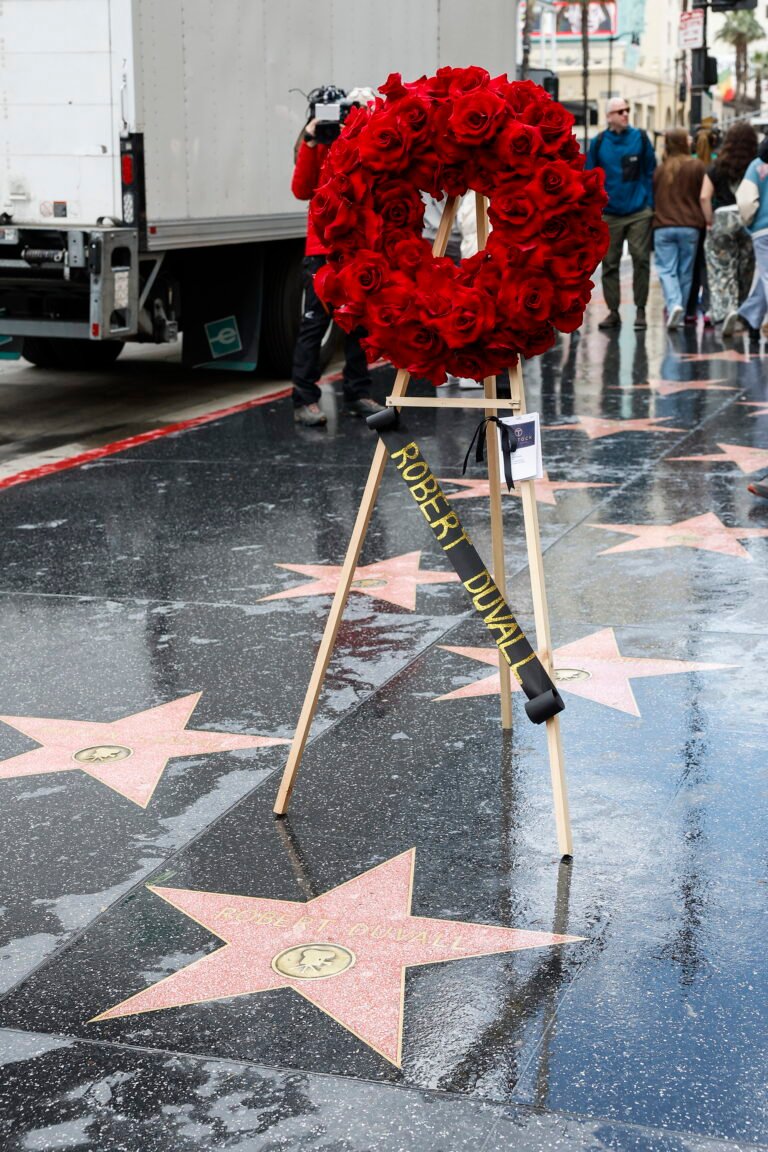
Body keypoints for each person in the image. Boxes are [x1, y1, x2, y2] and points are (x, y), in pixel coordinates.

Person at [290, 87, 384, 427]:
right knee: (315, 324)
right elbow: (301, 189)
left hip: (356, 248)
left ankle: (358, 394)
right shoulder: (315, 143)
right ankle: (304, 399)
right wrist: (313, 141)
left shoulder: (360, 140)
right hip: (322, 250)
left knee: (359, 323)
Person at [586, 96, 656, 331]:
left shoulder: (641, 138)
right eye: (620, 111)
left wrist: (648, 204)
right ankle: (613, 311)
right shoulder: (598, 143)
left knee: (641, 259)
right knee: (610, 263)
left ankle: (640, 310)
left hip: (638, 210)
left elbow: (650, 171)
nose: (626, 114)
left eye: (627, 109)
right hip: (610, 213)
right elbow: (590, 176)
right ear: (609, 117)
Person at [699, 121, 757, 335]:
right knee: (745, 269)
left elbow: (704, 196)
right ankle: (741, 312)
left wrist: (709, 220)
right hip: (747, 219)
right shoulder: (754, 165)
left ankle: (725, 312)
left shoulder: (716, 166)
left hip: (722, 219)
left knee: (721, 269)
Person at [652, 129, 706, 330]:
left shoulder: (661, 169)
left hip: (663, 226)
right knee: (685, 272)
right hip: (690, 226)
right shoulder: (697, 166)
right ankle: (680, 310)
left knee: (666, 270)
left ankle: (673, 304)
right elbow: (704, 194)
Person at [730, 135, 768, 342]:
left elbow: (745, 201)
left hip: (763, 229)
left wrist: (749, 222)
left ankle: (751, 317)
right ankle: (751, 317)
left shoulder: (756, 165)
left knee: (766, 277)